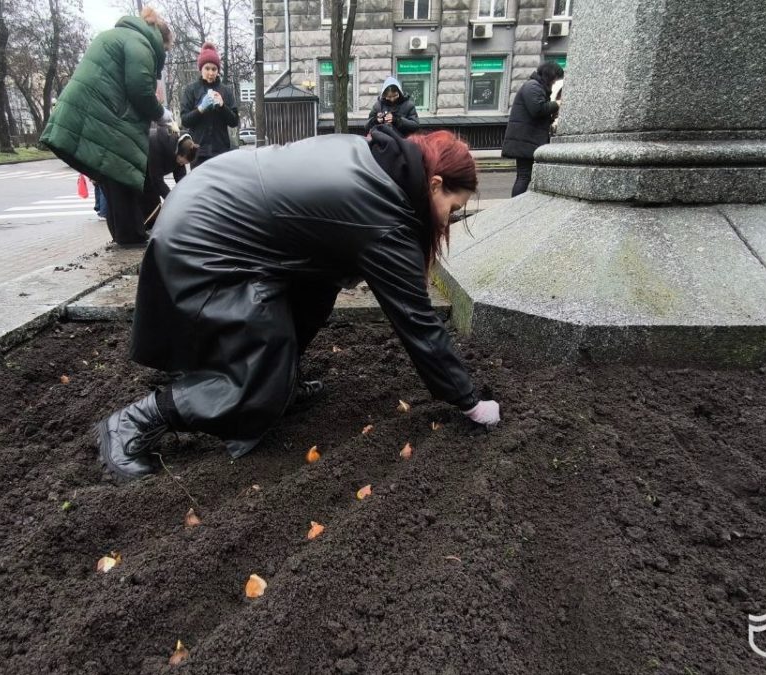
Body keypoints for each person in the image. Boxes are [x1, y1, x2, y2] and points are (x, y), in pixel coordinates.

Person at [94, 128, 502, 480]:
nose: (449, 220)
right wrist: (467, 399)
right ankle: (137, 420)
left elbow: (315, 275)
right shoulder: (382, 211)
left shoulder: (377, 163)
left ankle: (279, 383)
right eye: (454, 207)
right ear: (433, 184)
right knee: (262, 360)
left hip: (208, 206)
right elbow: (416, 319)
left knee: (317, 288)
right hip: (202, 237)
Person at [40, 6, 173, 245]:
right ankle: (130, 238)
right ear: (160, 41)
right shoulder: (141, 43)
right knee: (122, 174)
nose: (163, 55)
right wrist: (160, 112)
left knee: (113, 177)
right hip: (102, 116)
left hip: (88, 112)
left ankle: (125, 236)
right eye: (166, 50)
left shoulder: (119, 35)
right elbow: (140, 89)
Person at [502, 62, 563, 197]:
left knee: (525, 176)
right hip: (525, 139)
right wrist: (557, 104)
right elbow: (537, 109)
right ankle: (515, 206)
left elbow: (538, 115)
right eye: (555, 78)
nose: (554, 82)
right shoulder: (533, 86)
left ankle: (517, 204)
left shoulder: (536, 87)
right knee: (524, 176)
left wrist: (551, 116)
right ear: (550, 75)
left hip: (527, 138)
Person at [179, 43, 239, 168]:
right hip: (198, 151)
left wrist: (223, 106)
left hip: (221, 151)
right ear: (201, 69)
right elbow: (185, 121)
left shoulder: (226, 90)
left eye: (214, 69)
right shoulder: (191, 90)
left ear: (218, 70)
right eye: (207, 68)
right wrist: (200, 108)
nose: (211, 73)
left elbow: (234, 121)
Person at [139, 129, 198, 232]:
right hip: (143, 171)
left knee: (155, 209)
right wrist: (171, 199)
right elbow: (156, 180)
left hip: (153, 176)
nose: (181, 164)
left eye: (184, 164)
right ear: (178, 153)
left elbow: (181, 177)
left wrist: (185, 197)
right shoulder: (157, 143)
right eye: (181, 161)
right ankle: (141, 232)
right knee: (150, 204)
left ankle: (149, 229)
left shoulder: (181, 148)